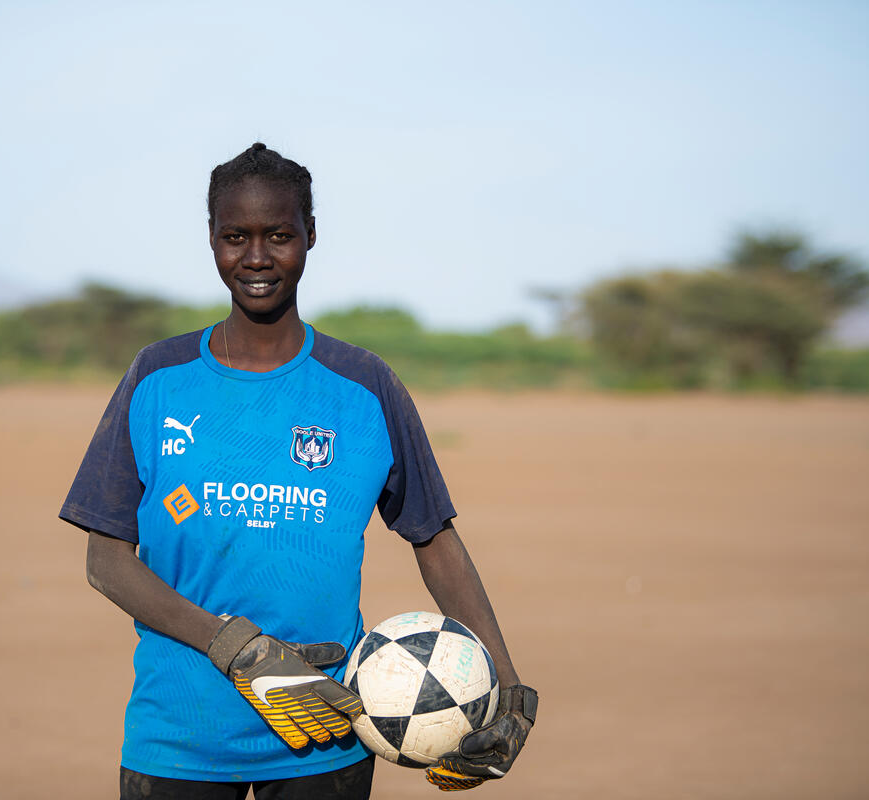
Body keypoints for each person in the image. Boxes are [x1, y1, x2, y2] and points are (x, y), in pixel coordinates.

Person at [60, 143, 536, 799]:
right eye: (236, 237)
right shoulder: (157, 380)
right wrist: (238, 648)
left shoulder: (364, 388)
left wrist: (506, 690)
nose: (257, 258)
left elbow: (436, 539)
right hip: (178, 740)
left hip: (327, 743)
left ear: (311, 235)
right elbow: (105, 561)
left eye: (279, 235)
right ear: (211, 239)